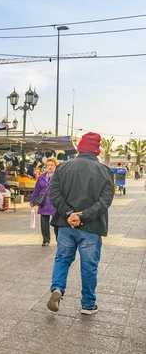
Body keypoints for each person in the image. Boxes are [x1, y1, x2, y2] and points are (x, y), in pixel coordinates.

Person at [47, 132, 114, 315]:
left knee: (62, 259)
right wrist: (83, 216)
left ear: (80, 149)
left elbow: (54, 195)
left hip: (65, 225)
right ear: (96, 151)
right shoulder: (105, 171)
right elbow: (105, 201)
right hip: (91, 227)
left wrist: (69, 213)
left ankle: (57, 289)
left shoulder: (63, 168)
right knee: (89, 266)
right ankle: (88, 304)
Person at [30, 157, 59, 246]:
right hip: (44, 202)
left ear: (55, 166)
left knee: (57, 222)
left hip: (55, 201)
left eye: (52, 165)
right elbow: (36, 189)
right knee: (44, 223)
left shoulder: (59, 177)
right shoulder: (41, 177)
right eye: (48, 165)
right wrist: (33, 200)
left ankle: (59, 239)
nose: (50, 167)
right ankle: (46, 240)